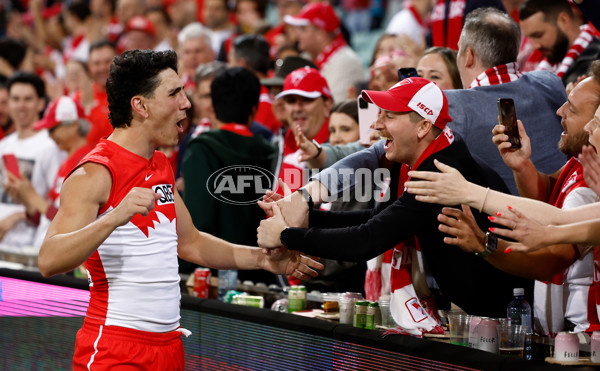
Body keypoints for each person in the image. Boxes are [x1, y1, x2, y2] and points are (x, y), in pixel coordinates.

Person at [37, 50, 322, 370]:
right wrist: (115, 216)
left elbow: (190, 242)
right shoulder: (95, 172)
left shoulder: (159, 163)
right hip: (115, 350)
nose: (187, 103)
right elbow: (49, 260)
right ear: (140, 105)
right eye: (174, 93)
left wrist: (263, 260)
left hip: (170, 346)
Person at [258, 78, 532, 322]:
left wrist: (286, 235)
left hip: (502, 315)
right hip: (480, 307)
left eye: (388, 116)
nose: (377, 125)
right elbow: (374, 219)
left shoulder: (438, 172)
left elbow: (366, 240)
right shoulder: (436, 148)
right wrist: (304, 212)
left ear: (423, 126)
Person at [407, 63, 600, 334]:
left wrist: (484, 241)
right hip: (564, 332)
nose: (560, 111)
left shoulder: (590, 184)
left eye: (574, 109)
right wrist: (522, 166)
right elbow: (550, 203)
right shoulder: (580, 165)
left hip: (582, 335)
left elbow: (551, 259)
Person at [180, 67, 278, 284]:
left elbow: (199, 221)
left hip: (211, 275)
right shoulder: (272, 153)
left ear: (213, 108)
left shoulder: (201, 149)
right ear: (254, 110)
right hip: (263, 272)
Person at [5, 96, 94, 249]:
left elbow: (72, 222)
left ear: (74, 125)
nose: (50, 136)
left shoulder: (88, 162)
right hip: (46, 252)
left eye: (53, 129)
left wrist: (34, 198)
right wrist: (27, 198)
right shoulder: (67, 161)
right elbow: (49, 217)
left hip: (67, 259)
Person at [0, 72, 64, 249]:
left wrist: (19, 216)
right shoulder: (4, 144)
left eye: (27, 99)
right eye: (15, 99)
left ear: (41, 103)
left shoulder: (51, 146)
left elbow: (58, 205)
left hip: (30, 244)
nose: (21, 106)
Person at [284, 2, 365, 103]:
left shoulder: (346, 62)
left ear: (320, 33)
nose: (296, 35)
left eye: (303, 29)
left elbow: (335, 108)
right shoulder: (307, 56)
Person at [275, 66, 332, 193]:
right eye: (291, 101)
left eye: (306, 99)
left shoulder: (339, 150)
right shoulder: (278, 145)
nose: (297, 108)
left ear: (327, 105)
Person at [520, 0, 600, 86]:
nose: (534, 46)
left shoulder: (594, 64)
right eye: (529, 38)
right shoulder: (553, 61)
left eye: (538, 35)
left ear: (563, 20)